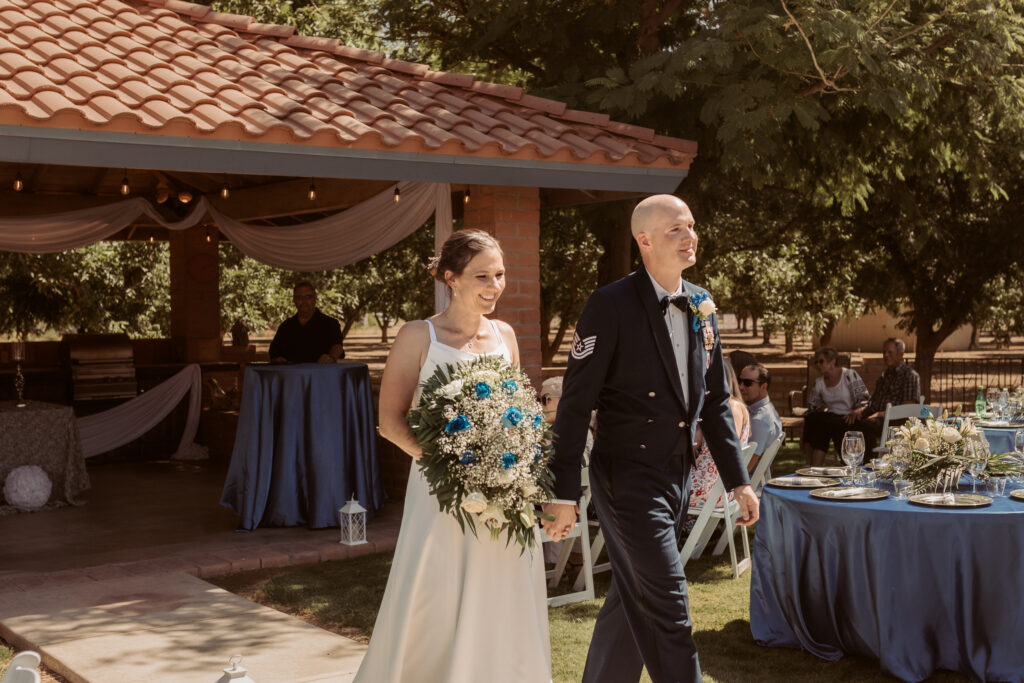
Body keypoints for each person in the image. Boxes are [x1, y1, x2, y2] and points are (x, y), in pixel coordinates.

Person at [544, 194, 758, 683]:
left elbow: (716, 402)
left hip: (674, 476)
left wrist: (739, 481)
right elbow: (576, 403)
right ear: (644, 240)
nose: (690, 237)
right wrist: (561, 491)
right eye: (676, 230)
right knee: (668, 603)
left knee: (630, 596)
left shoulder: (702, 302)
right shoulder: (610, 304)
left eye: (691, 227)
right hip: (627, 477)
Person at [354, 230, 550, 683]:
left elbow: (515, 412)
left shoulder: (504, 334)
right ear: (451, 278)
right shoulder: (417, 335)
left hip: (504, 492)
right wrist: (455, 470)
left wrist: (512, 470)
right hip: (441, 488)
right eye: (482, 275)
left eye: (500, 274)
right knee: (436, 588)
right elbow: (390, 421)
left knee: (503, 586)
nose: (495, 285)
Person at [687, 362, 751, 515]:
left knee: (661, 490)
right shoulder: (738, 406)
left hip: (714, 488)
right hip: (726, 485)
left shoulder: (727, 409)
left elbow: (692, 446)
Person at [845, 337, 921, 452]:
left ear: (901, 353)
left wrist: (879, 414)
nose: (885, 355)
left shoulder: (910, 375)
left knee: (867, 425)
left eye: (890, 352)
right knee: (845, 423)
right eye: (884, 352)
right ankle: (848, 460)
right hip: (878, 418)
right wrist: (860, 411)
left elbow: (908, 409)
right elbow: (874, 404)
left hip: (897, 422)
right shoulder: (885, 376)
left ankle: (869, 462)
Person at [800, 346, 870, 466]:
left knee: (826, 425)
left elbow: (864, 399)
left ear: (832, 361)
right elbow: (814, 407)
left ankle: (814, 466)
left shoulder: (849, 375)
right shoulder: (819, 382)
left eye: (821, 361)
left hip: (849, 417)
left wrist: (858, 411)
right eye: (816, 362)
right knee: (813, 419)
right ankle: (811, 466)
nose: (818, 365)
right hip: (830, 417)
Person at [268, 282, 344, 363]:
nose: (304, 301)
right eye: (299, 297)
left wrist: (331, 357)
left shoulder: (330, 323)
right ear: (294, 300)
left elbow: (338, 346)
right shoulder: (286, 326)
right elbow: (273, 353)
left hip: (321, 373)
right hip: (291, 374)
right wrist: (277, 359)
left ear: (315, 299)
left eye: (308, 297)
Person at [739, 363, 783, 458]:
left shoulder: (760, 420)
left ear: (763, 387)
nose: (741, 387)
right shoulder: (766, 410)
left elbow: (748, 465)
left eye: (747, 383)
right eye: (739, 381)